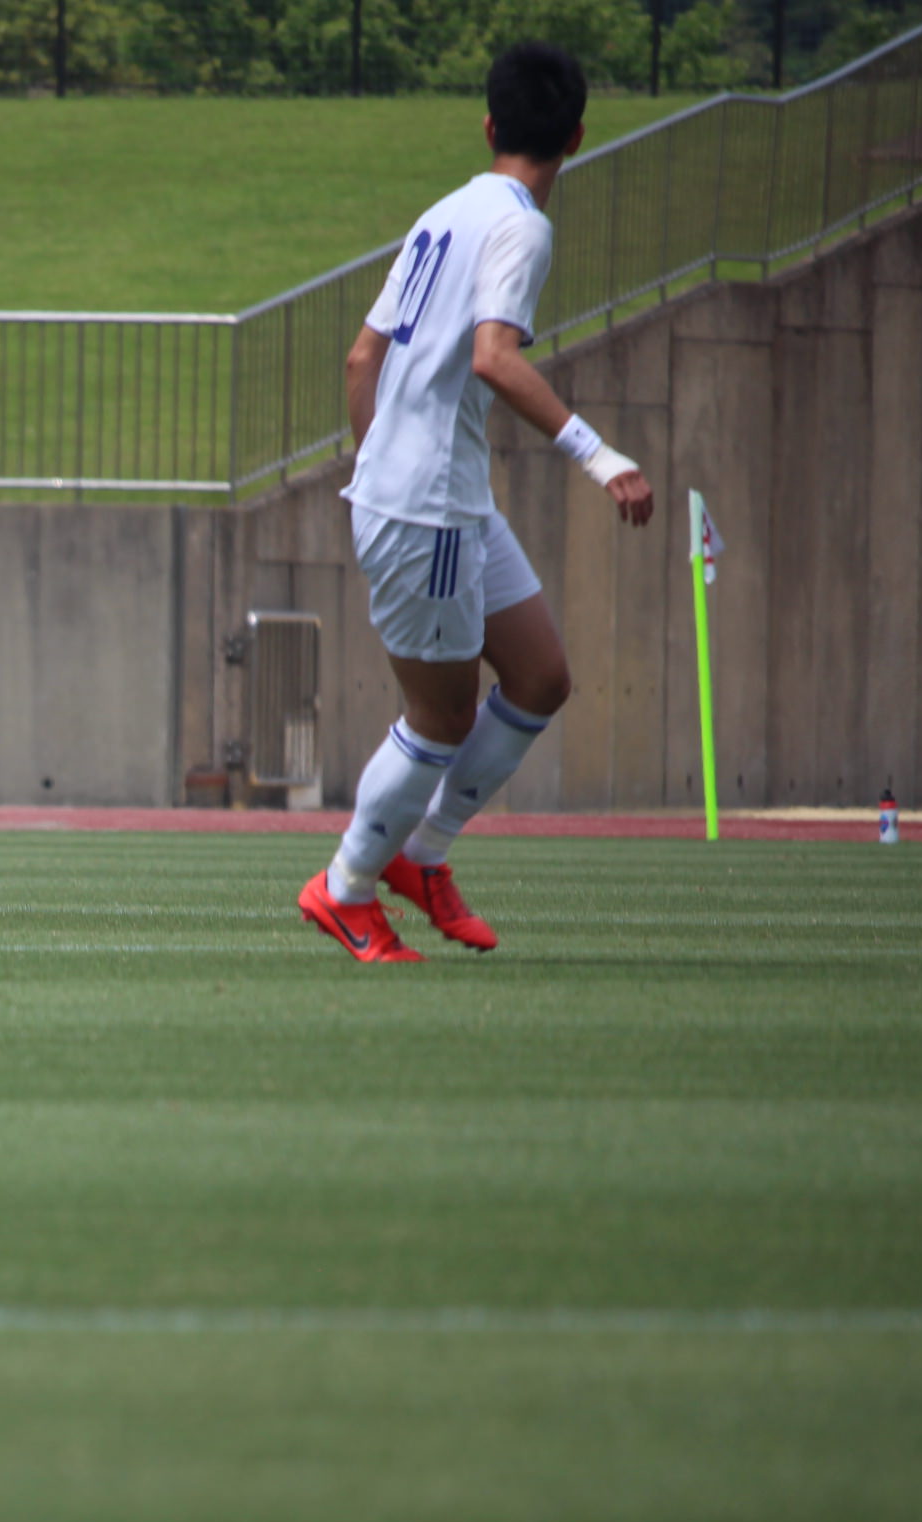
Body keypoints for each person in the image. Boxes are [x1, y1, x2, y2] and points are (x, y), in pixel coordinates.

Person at [303, 42, 654, 963]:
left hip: (445, 496)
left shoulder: (446, 211)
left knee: (540, 678)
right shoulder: (522, 228)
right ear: (577, 138)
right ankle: (345, 887)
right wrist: (601, 456)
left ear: (490, 125)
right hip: (426, 506)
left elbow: (361, 359)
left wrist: (380, 464)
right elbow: (495, 358)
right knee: (441, 718)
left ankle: (421, 857)